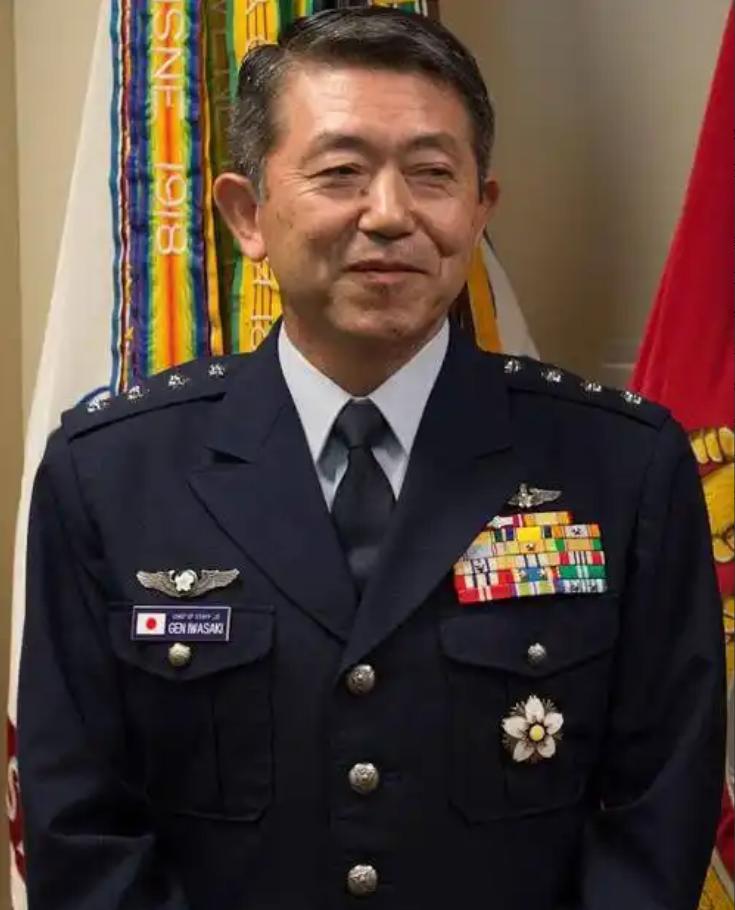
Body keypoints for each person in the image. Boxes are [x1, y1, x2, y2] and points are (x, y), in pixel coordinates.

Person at [18, 7, 725, 909]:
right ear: (246, 214)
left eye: (431, 174)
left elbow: (655, 816)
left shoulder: (622, 468)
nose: (389, 215)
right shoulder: (110, 474)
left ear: (479, 209)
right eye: (340, 172)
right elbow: (82, 831)